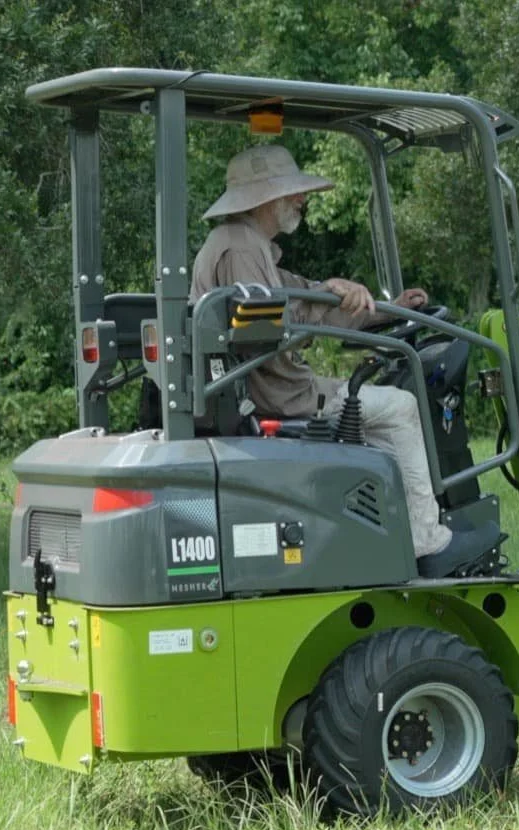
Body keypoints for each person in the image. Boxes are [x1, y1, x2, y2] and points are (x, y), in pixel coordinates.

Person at [190, 143, 490, 578]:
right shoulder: (240, 249)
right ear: (265, 198)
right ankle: (427, 541)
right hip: (281, 396)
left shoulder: (249, 246)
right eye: (292, 191)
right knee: (401, 407)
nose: (301, 198)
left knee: (381, 408)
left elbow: (306, 304)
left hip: (272, 389)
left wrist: (386, 309)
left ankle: (389, 535)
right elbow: (265, 331)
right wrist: (325, 297)